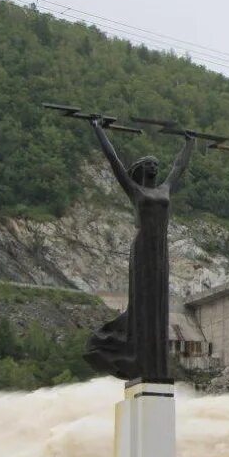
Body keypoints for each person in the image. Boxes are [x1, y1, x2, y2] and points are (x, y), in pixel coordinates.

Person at [84, 119, 194, 381]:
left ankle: (153, 365)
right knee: (143, 305)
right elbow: (114, 162)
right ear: (140, 169)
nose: (155, 166)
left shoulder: (165, 189)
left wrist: (190, 144)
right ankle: (134, 354)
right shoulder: (135, 190)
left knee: (157, 306)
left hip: (161, 252)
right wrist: (99, 129)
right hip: (143, 249)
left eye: (156, 163)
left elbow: (179, 167)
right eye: (149, 163)